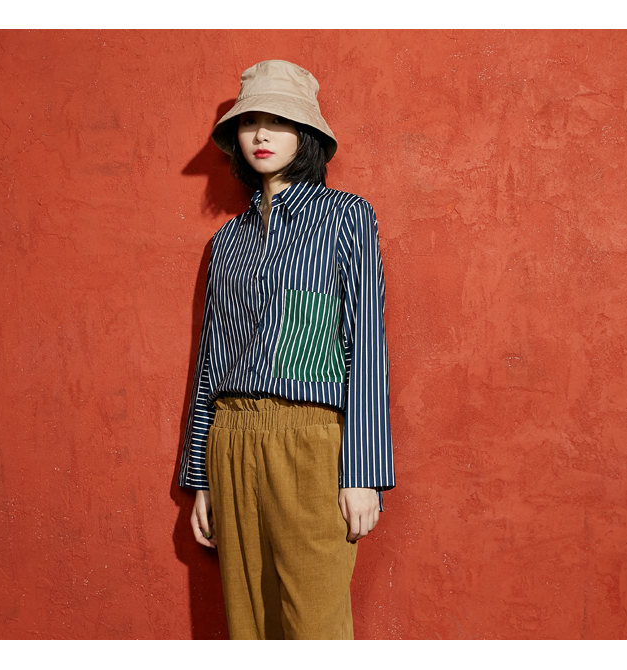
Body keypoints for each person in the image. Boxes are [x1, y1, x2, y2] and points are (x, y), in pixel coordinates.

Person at [178, 59, 395, 640]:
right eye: (251, 122)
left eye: (279, 121)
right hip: (231, 439)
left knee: (314, 627)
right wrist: (201, 477)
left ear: (306, 135)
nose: (262, 134)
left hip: (309, 442)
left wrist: (364, 471)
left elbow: (365, 342)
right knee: (248, 628)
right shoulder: (227, 240)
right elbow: (211, 360)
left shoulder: (346, 217)